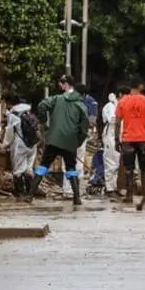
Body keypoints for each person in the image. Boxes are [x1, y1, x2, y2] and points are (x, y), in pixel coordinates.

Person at [32, 75, 90, 206]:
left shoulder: (57, 99)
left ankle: (30, 195)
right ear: (83, 95)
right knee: (71, 168)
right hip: (70, 142)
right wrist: (77, 142)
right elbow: (84, 129)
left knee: (43, 166)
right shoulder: (82, 106)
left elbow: (41, 105)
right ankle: (77, 198)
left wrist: (44, 122)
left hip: (53, 139)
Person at [116, 78, 145, 208]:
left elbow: (117, 122)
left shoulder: (122, 101)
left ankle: (129, 196)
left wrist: (117, 139)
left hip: (128, 139)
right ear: (140, 86)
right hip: (143, 139)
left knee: (128, 169)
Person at [3, 93, 37, 199]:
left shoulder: (13, 113)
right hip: (32, 144)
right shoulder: (29, 110)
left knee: (18, 170)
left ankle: (20, 193)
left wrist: (4, 145)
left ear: (9, 103)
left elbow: (9, 132)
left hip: (20, 144)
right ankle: (30, 193)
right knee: (28, 169)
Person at [102, 88, 126, 197]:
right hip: (110, 135)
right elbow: (112, 119)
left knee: (117, 162)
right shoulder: (110, 106)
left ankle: (115, 187)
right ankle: (109, 188)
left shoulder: (120, 106)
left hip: (119, 135)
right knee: (110, 161)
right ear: (120, 94)